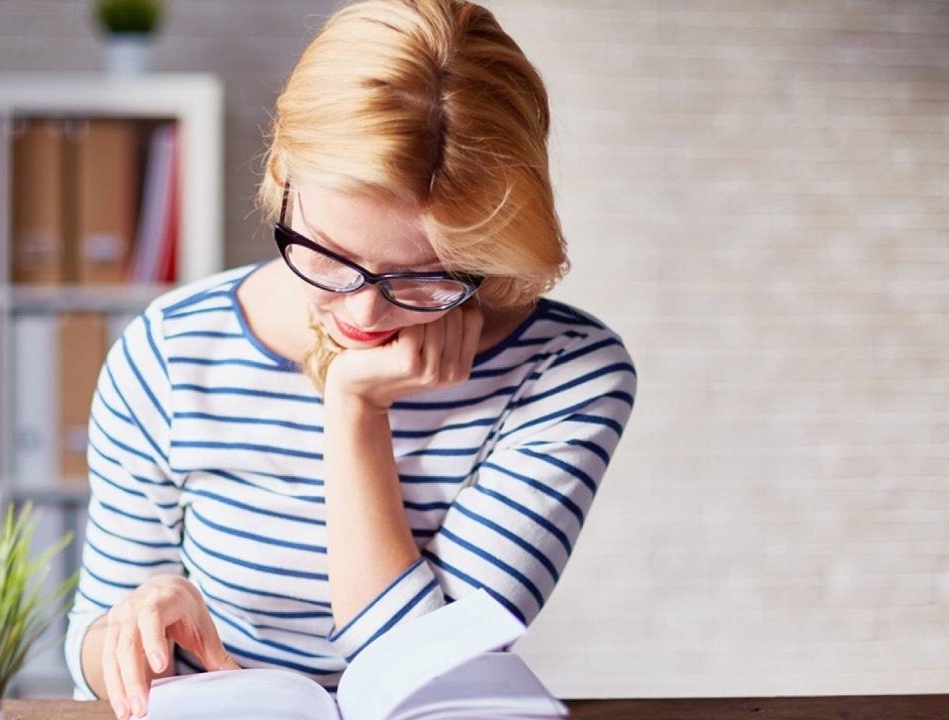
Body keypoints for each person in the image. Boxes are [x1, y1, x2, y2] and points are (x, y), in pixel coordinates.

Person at [64, 0, 637, 718]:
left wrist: (356, 407)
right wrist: (132, 626)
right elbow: (89, 652)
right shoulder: (172, 351)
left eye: (424, 275)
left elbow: (420, 670)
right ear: (282, 175)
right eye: (331, 256)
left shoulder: (570, 377)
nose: (364, 313)